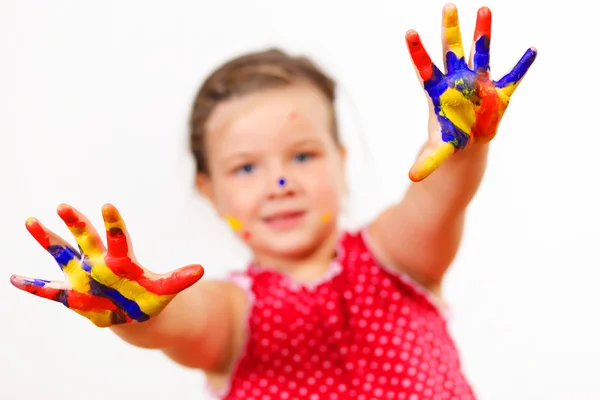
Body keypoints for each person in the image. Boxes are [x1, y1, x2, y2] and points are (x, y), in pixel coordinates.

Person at [10, 3, 536, 399]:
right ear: (210, 192)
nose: (280, 183)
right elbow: (184, 322)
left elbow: (440, 200)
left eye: (303, 156)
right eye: (245, 167)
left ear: (341, 159)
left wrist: (465, 145)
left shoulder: (397, 259)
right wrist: (137, 312)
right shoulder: (232, 312)